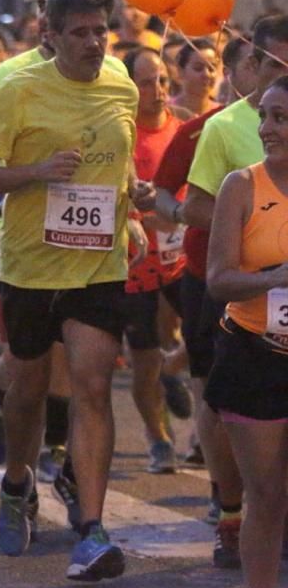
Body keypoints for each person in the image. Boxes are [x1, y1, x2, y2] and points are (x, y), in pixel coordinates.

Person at [0, 0, 154, 581]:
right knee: (27, 391)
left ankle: (92, 530)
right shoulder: (15, 85)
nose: (95, 43)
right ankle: (17, 482)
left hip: (99, 264)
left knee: (93, 387)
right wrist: (38, 172)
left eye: (102, 31)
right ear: (49, 34)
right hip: (29, 265)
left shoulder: (122, 81)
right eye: (81, 32)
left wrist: (133, 208)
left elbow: (118, 158)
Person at [184, 15, 288, 566]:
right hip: (237, 308)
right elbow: (190, 204)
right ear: (253, 64)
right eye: (275, 64)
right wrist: (245, 227)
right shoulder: (224, 129)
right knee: (218, 406)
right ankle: (229, 511)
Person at [205, 75, 288, 588]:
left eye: (281, 118)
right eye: (265, 115)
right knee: (267, 495)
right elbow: (217, 279)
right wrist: (274, 277)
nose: (267, 128)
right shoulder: (242, 185)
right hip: (254, 355)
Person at [119, 47, 184, 474]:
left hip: (181, 262)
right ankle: (157, 437)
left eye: (161, 79)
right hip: (135, 267)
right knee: (143, 363)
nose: (157, 90)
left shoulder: (184, 132)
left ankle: (173, 369)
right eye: (145, 82)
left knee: (207, 334)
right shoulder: (119, 136)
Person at [171, 39, 220, 119]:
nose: (206, 74)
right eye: (198, 68)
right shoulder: (166, 112)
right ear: (181, 71)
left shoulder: (220, 114)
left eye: (211, 69)